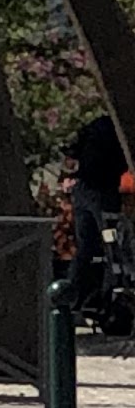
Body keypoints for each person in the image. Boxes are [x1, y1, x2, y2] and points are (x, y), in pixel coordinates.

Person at [70, 110, 127, 330]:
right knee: (112, 250)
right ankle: (107, 304)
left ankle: (77, 303)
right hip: (103, 192)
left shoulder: (98, 125)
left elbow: (74, 150)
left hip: (84, 189)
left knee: (86, 250)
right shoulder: (118, 128)